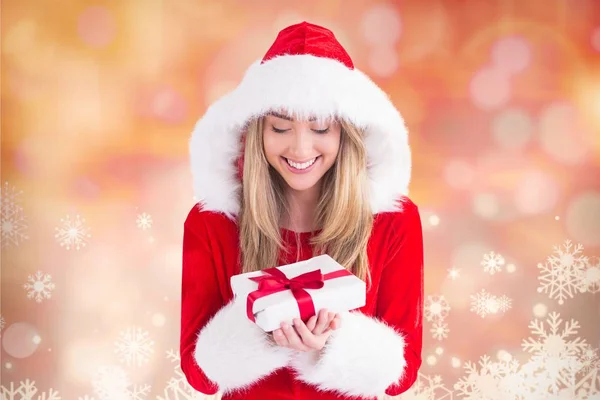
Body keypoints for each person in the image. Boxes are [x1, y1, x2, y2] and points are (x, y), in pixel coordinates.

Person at [180, 21, 424, 400]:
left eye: (321, 128)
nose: (300, 148)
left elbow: (401, 376)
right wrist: (262, 332)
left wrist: (332, 344)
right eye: (280, 127)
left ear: (347, 133)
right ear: (256, 132)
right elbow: (199, 374)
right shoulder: (212, 222)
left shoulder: (393, 221)